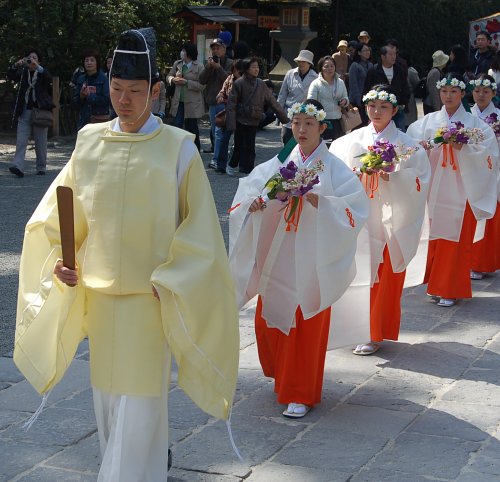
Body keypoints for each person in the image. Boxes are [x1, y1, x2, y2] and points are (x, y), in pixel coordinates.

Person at [13, 28, 239, 481]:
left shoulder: (178, 148)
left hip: (148, 298)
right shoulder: (90, 141)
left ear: (155, 91)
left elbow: (200, 233)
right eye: (117, 90)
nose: (124, 101)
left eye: (135, 92)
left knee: (139, 405)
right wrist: (61, 258)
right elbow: (62, 214)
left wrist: (176, 278)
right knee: (109, 405)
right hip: (100, 297)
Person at [229, 99, 369, 417]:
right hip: (278, 253)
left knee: (305, 321)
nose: (302, 129)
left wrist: (322, 202)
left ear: (322, 127)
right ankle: (282, 376)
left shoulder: (334, 168)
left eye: (309, 123)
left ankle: (301, 391)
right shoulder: (280, 163)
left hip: (313, 258)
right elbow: (251, 192)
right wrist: (254, 204)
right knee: (272, 318)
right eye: (296, 123)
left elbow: (355, 209)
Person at [330, 84, 431, 355]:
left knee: (382, 274)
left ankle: (374, 332)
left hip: (390, 217)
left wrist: (392, 176)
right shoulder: (349, 141)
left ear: (394, 110)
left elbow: (420, 180)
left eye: (384, 106)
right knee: (357, 271)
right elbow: (334, 175)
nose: (377, 111)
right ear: (365, 108)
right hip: (360, 215)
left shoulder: (407, 145)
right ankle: (354, 327)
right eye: (372, 106)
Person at [407, 74, 499, 307]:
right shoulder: (426, 122)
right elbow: (411, 147)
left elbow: (489, 155)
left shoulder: (476, 125)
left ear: (461, 94)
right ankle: (436, 284)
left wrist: (464, 148)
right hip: (435, 187)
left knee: (455, 240)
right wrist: (425, 147)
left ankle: (450, 288)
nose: (448, 96)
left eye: (453, 92)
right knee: (435, 237)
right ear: (439, 93)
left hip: (462, 189)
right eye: (444, 91)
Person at [226, 57, 288, 175]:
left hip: (254, 118)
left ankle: (248, 170)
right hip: (241, 119)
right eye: (253, 67)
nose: (256, 69)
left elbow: (272, 101)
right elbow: (231, 104)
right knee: (239, 145)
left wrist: (284, 118)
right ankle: (232, 165)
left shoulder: (261, 84)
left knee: (250, 146)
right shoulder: (239, 83)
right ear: (246, 69)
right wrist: (231, 123)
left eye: (257, 67)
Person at [469, 74, 500, 279]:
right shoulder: (467, 115)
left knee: (491, 213)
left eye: (486, 92)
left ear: (494, 94)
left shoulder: (498, 116)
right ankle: (472, 261)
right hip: (469, 170)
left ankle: (485, 261)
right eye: (477, 91)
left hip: (494, 170)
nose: (481, 95)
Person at [7, 49, 54, 177]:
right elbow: (10, 75)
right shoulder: (23, 73)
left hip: (40, 111)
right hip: (25, 110)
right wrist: (16, 65)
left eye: (34, 58)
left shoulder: (41, 73)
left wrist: (37, 67)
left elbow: (49, 77)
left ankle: (41, 167)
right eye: (29, 58)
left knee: (40, 142)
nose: (31, 60)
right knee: (21, 140)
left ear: (38, 61)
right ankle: (18, 166)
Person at [167, 43, 205, 150]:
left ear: (190, 53)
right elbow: (169, 76)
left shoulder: (199, 66)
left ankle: (195, 149)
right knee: (177, 125)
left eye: (184, 50)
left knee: (192, 127)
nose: (182, 53)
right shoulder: (177, 64)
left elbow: (202, 86)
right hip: (178, 101)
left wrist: (187, 82)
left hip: (192, 103)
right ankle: (177, 149)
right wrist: (173, 79)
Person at [364, 44, 410, 131]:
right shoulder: (374, 70)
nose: (393, 57)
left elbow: (405, 87)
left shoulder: (399, 69)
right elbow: (367, 90)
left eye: (395, 54)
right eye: (390, 54)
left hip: (397, 108)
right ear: (383, 56)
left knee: (400, 133)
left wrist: (404, 101)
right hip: (380, 109)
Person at [277, 49, 318, 145]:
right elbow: (282, 94)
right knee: (287, 143)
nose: (301, 63)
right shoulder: (290, 74)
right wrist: (279, 113)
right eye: (299, 61)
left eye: (304, 61)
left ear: (309, 63)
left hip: (306, 115)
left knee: (302, 144)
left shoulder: (316, 77)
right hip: (289, 114)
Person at [199, 38, 232, 154]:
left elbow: (228, 80)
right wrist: (208, 67)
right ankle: (217, 153)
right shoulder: (209, 63)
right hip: (212, 102)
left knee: (222, 131)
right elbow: (201, 80)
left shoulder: (230, 63)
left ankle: (220, 155)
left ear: (224, 49)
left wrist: (218, 68)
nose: (215, 51)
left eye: (218, 48)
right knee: (214, 131)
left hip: (225, 102)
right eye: (213, 49)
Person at [307, 56, 349, 144]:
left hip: (338, 121)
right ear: (321, 68)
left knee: (338, 149)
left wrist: (344, 101)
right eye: (326, 66)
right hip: (323, 122)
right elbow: (310, 103)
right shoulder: (315, 84)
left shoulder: (340, 82)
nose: (329, 69)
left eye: (332, 66)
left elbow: (345, 97)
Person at [214, 59, 244, 174]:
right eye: (235, 70)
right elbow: (222, 91)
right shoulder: (229, 78)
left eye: (238, 70)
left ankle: (238, 164)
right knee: (224, 138)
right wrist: (221, 96)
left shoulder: (246, 81)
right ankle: (221, 165)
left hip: (241, 113)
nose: (236, 73)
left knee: (240, 140)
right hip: (229, 112)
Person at [72, 49, 110, 129]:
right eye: (86, 60)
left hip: (99, 119)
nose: (89, 63)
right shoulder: (80, 79)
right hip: (84, 120)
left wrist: (90, 96)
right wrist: (81, 96)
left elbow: (107, 100)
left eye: (92, 60)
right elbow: (75, 103)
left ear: (97, 63)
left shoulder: (104, 79)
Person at [348, 42, 373, 126]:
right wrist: (359, 102)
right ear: (359, 52)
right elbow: (353, 85)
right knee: (357, 126)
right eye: (365, 50)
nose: (368, 52)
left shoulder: (370, 65)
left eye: (368, 50)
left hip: (368, 99)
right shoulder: (354, 66)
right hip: (356, 101)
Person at [423, 50, 448, 115]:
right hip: (431, 106)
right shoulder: (435, 72)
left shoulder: (436, 71)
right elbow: (434, 92)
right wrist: (438, 110)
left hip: (431, 104)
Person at [399, 52, 419, 128]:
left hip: (409, 99)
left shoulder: (411, 71)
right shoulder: (397, 70)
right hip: (401, 100)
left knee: (410, 122)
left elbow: (416, 85)